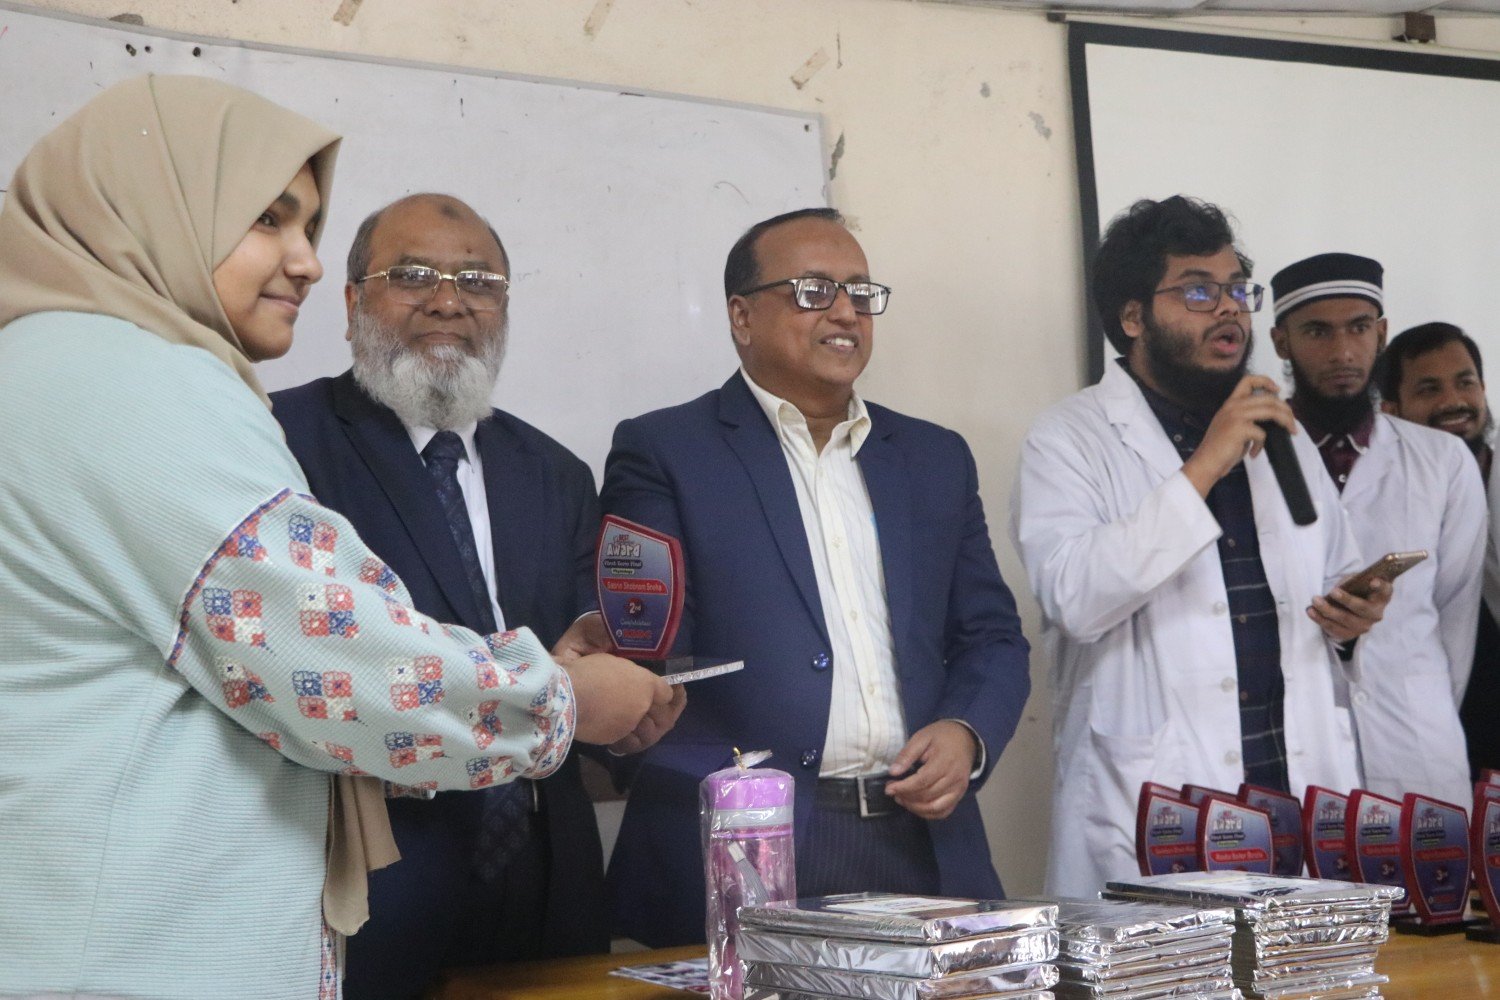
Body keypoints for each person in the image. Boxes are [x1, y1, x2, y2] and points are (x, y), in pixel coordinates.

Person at [0, 76, 670, 1000]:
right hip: (136, 948)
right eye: (266, 218)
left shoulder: (48, 365)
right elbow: (346, 665)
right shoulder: (137, 386)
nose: (304, 262)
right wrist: (563, 698)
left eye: (308, 226)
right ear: (154, 204)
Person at [272, 193, 683, 998]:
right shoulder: (286, 441)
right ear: (351, 303)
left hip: (549, 876)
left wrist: (622, 707)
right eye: (412, 276)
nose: (448, 301)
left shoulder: (554, 471)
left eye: (479, 282)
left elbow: (574, 649)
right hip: (376, 878)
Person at [600, 207, 1032, 946]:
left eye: (860, 292)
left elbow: (991, 636)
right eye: (813, 291)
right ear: (741, 316)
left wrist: (967, 732)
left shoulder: (934, 458)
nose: (845, 312)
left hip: (921, 842)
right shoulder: (667, 451)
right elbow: (648, 649)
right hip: (751, 844)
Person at [1011, 196, 1388, 898]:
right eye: (1197, 291)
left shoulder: (1280, 431)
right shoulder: (1068, 438)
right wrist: (1206, 464)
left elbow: (1329, 573)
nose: (1229, 311)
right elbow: (1075, 597)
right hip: (1160, 808)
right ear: (1133, 317)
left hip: (1294, 797)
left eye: (1238, 289)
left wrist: (1351, 618)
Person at [1269, 256, 1483, 811]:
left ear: (1382, 334)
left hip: (1418, 746)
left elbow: (1455, 619)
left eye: (1359, 328)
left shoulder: (1443, 461)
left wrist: (1417, 699)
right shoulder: (1249, 455)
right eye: (1318, 332)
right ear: (1282, 342)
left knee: (1429, 869)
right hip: (1299, 745)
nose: (1343, 351)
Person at [1378, 322, 1500, 779]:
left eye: (1465, 383)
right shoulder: (1380, 503)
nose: (1453, 401)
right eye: (1429, 389)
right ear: (1391, 411)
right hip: (1438, 733)